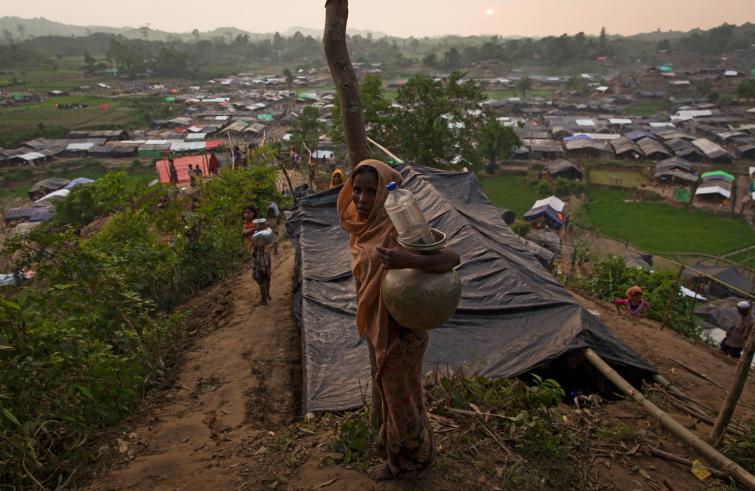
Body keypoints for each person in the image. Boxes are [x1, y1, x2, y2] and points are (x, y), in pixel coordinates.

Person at [337, 160, 460, 481]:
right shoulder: (361, 230)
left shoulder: (400, 226)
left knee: (401, 398)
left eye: (371, 192)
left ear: (385, 195)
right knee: (399, 396)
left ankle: (408, 462)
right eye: (357, 191)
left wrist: (407, 259)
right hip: (383, 329)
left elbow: (451, 258)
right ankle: (405, 449)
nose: (362, 199)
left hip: (402, 330)